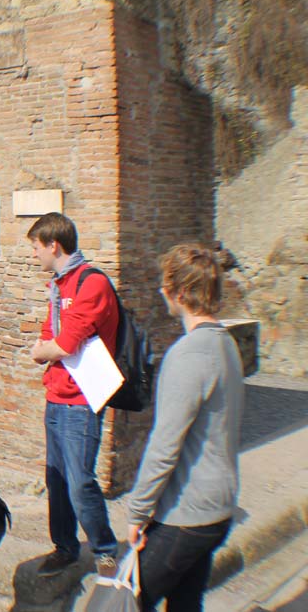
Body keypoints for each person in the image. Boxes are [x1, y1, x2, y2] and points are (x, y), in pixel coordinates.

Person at [127, 244, 244, 611]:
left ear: (179, 293)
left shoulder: (189, 354)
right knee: (185, 603)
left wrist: (137, 512)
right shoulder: (226, 345)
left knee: (129, 601)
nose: (162, 292)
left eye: (165, 285)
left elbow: (164, 446)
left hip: (188, 512)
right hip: (218, 507)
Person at [27, 212, 119, 577]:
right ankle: (64, 547)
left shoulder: (91, 284)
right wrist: (48, 347)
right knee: (58, 479)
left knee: (81, 480)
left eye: (36, 247)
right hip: (56, 395)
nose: (34, 254)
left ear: (54, 245)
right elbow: (49, 332)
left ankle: (105, 550)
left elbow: (63, 342)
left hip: (81, 401)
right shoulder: (58, 285)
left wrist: (45, 350)